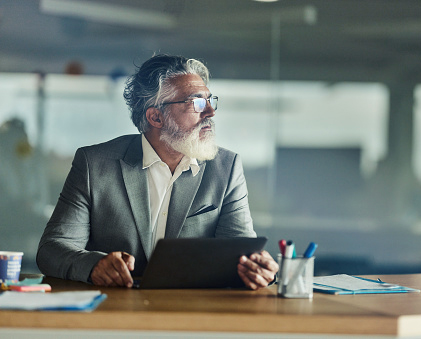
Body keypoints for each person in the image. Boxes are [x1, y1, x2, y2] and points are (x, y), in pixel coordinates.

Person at [37, 54, 278, 290]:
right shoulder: (94, 164)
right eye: (197, 103)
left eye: (210, 100)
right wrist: (94, 266)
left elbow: (241, 254)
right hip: (112, 312)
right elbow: (52, 249)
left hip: (192, 315)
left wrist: (259, 270)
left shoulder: (226, 167)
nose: (210, 113)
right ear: (156, 116)